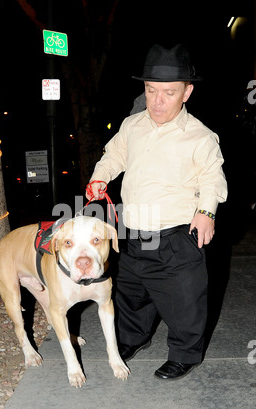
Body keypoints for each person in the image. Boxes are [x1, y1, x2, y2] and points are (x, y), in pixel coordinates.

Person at [86, 44, 228, 380]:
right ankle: (132, 338)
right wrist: (99, 177)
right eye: (151, 91)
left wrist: (206, 212)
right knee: (131, 293)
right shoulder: (132, 125)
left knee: (184, 300)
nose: (158, 102)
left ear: (186, 92)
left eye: (168, 93)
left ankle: (184, 354)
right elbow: (114, 156)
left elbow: (212, 178)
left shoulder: (200, 137)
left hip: (176, 235)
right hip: (134, 231)